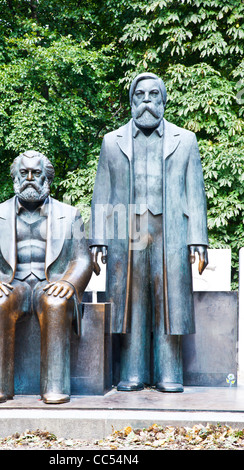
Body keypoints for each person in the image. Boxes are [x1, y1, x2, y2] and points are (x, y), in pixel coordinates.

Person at [90, 72, 208, 392]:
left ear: (163, 101)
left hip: (170, 230)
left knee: (168, 301)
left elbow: (195, 193)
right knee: (132, 302)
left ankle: (169, 373)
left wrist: (198, 238)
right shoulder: (111, 142)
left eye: (153, 95)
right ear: (131, 102)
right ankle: (133, 373)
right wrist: (98, 239)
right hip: (125, 231)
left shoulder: (185, 140)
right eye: (139, 95)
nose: (146, 101)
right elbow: (102, 192)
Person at [0, 150, 92, 404]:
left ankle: (55, 387)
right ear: (15, 177)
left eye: (36, 173)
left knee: (55, 302)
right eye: (23, 173)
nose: (29, 178)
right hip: (12, 283)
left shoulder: (70, 215)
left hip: (49, 282)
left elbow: (82, 259)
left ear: (46, 178)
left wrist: (68, 282)